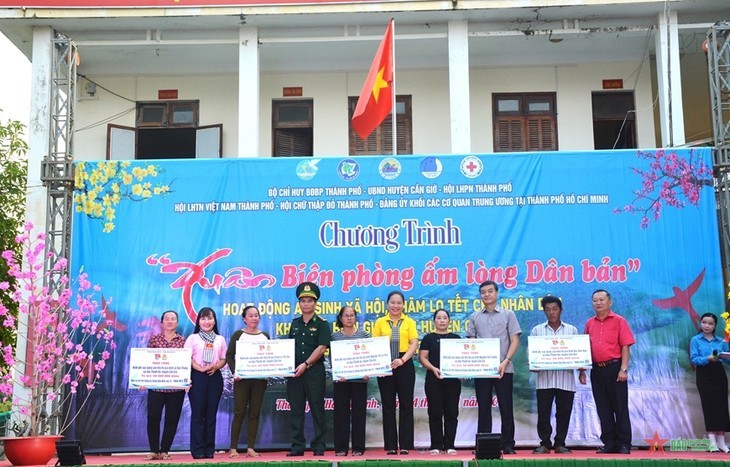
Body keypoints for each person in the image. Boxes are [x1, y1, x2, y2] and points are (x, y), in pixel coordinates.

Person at [466, 280, 521, 454]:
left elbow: (515, 340)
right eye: (483, 292)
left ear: (497, 293)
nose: (487, 294)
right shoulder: (474, 316)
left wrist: (506, 361)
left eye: (490, 291)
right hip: (482, 370)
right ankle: (483, 444)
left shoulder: (508, 314)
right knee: (483, 407)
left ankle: (508, 444)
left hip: (504, 368)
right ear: (480, 295)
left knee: (506, 407)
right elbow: (471, 342)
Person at [529, 296, 586, 454]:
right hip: (544, 380)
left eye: (555, 309)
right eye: (548, 309)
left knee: (564, 413)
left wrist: (582, 372)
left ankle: (560, 443)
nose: (551, 312)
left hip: (566, 379)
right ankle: (545, 444)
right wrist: (533, 363)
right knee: (544, 414)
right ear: (544, 311)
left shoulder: (571, 330)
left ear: (561, 310)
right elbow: (531, 354)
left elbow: (579, 353)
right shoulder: (537, 330)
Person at [584, 289, 635, 455]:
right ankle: (609, 443)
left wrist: (624, 369)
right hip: (597, 370)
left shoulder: (619, 321)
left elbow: (625, 346)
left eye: (601, 300)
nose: (598, 303)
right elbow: (584, 349)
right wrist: (582, 369)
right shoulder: (589, 323)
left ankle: (624, 443)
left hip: (615, 368)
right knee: (603, 408)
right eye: (595, 300)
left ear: (610, 302)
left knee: (619, 407)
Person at [286, 282, 331, 456]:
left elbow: (321, 348)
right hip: (295, 373)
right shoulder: (295, 323)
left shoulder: (321, 324)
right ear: (299, 303)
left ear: (315, 303)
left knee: (317, 409)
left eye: (310, 301)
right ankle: (297, 446)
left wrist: (306, 364)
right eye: (303, 300)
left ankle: (319, 445)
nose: (306, 304)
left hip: (313, 372)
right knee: (296, 409)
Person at [372, 290, 418, 455]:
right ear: (387, 304)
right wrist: (381, 365)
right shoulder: (380, 322)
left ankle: (406, 444)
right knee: (388, 405)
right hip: (386, 364)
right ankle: (391, 445)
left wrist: (402, 360)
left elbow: (414, 343)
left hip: (404, 363)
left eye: (399, 303)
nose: (396, 306)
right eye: (393, 302)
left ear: (403, 304)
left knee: (406, 404)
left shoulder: (409, 322)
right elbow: (375, 344)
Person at [226, 305, 270, 458]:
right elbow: (229, 356)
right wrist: (235, 372)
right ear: (244, 319)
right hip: (242, 380)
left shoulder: (265, 336)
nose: (254, 318)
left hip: (259, 381)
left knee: (255, 413)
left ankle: (251, 447)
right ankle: (233, 448)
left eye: (256, 315)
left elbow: (269, 357)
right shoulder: (238, 335)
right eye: (250, 316)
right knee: (239, 412)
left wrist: (270, 370)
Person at [184, 307, 228, 459]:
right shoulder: (192, 338)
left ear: (214, 320)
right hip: (197, 377)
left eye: (209, 318)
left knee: (211, 415)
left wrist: (215, 366)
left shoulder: (220, 339)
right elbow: (186, 357)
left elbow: (224, 358)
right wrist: (199, 368)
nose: (206, 321)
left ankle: (209, 449)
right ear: (198, 321)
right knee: (198, 414)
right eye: (203, 318)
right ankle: (197, 449)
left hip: (215, 377)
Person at [419, 308, 461, 455]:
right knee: (435, 412)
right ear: (434, 321)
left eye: (445, 318)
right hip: (433, 379)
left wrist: (462, 371)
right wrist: (433, 368)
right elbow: (422, 357)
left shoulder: (456, 338)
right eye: (439, 318)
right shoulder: (428, 338)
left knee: (451, 412)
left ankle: (450, 445)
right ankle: (436, 445)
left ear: (449, 321)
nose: (442, 320)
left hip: (452, 381)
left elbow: (462, 359)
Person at [145, 310, 186, 461]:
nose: (170, 321)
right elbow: (146, 362)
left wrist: (186, 381)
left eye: (173, 319)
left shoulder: (183, 341)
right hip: (156, 387)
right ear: (162, 323)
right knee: (153, 417)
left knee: (172, 419)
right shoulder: (154, 340)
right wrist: (142, 380)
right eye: (167, 319)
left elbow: (186, 364)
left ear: (177, 323)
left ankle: (165, 451)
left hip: (176, 388)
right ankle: (154, 450)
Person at [331, 305, 370, 457]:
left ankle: (358, 448)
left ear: (355, 317)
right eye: (346, 315)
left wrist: (368, 372)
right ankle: (341, 448)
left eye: (352, 315)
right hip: (341, 380)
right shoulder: (334, 336)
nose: (349, 318)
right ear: (340, 318)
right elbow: (333, 358)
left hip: (360, 380)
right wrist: (337, 372)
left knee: (359, 414)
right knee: (341, 414)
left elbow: (369, 356)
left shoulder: (364, 335)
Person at [689, 312, 730, 453]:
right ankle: (712, 442)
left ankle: (722, 442)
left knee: (722, 406)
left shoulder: (720, 341)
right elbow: (694, 359)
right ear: (701, 323)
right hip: (704, 375)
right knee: (709, 406)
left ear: (715, 326)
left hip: (719, 374)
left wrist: (726, 348)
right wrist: (707, 358)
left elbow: (727, 360)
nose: (707, 326)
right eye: (704, 322)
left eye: (710, 323)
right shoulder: (696, 340)